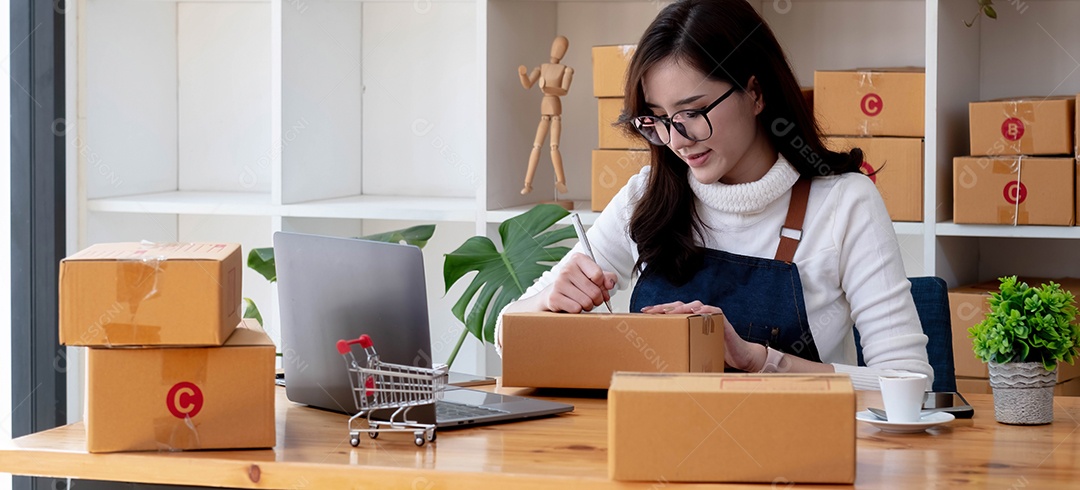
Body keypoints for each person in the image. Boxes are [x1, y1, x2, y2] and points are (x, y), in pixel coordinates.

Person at [496, 0, 933, 390]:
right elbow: (506, 336)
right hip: (655, 444)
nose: (677, 140)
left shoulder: (844, 203)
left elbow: (909, 381)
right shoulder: (646, 197)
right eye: (658, 119)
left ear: (755, 93)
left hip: (793, 448)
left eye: (692, 112)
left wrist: (761, 360)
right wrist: (547, 301)